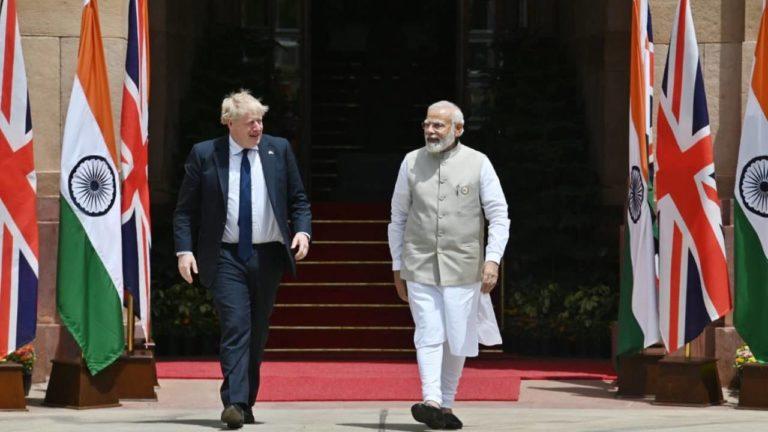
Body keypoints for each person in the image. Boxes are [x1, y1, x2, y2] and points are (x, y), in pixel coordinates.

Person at [173, 90, 311, 429]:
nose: (258, 128)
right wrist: (184, 251)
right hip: (224, 256)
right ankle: (233, 402)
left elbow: (299, 200)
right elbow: (185, 211)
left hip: (267, 256)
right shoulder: (206, 154)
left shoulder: (278, 150)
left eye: (260, 120)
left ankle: (245, 400)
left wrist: (303, 232)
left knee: (258, 330)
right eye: (250, 122)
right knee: (236, 325)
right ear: (228, 123)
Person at [388, 100, 509, 430]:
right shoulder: (411, 162)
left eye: (438, 125)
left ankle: (446, 404)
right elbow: (398, 217)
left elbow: (499, 215)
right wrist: (397, 264)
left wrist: (493, 260)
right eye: (427, 124)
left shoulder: (478, 162)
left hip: (464, 265)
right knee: (428, 332)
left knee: (457, 335)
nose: (430, 130)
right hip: (419, 262)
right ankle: (430, 399)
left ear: (458, 129)